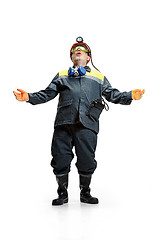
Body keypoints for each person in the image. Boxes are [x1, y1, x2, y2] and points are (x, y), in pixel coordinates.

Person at [13, 37, 145, 205]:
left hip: (88, 123)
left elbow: (112, 94)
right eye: (75, 50)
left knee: (87, 159)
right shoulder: (61, 75)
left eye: (81, 49)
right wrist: (28, 97)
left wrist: (129, 95)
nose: (78, 50)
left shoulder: (98, 76)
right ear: (72, 58)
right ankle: (62, 193)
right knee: (60, 158)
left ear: (88, 57)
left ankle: (85, 192)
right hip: (64, 123)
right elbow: (47, 94)